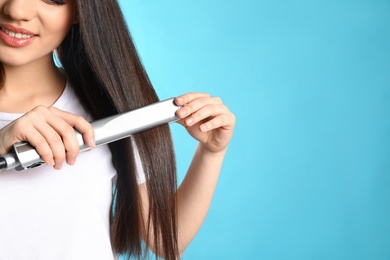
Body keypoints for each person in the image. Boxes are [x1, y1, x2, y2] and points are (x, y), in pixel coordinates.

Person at [0, 0, 235, 259]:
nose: (16, 11)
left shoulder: (107, 111)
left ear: (79, 11)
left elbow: (168, 240)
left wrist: (211, 153)